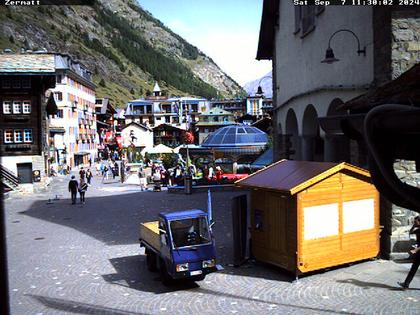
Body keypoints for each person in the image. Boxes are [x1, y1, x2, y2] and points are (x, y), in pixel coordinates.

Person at [398, 216, 420, 289]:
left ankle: (406, 284)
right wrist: (414, 225)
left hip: (418, 251)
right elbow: (410, 232)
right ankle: (406, 284)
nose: (414, 222)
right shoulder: (418, 229)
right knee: (413, 269)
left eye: (415, 221)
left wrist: (415, 250)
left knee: (413, 269)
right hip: (418, 253)